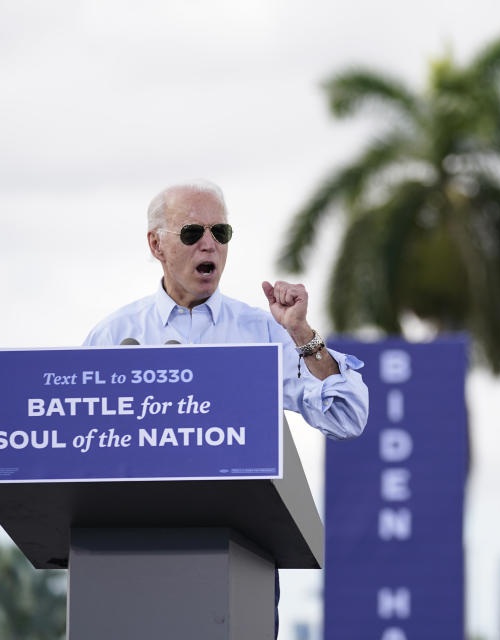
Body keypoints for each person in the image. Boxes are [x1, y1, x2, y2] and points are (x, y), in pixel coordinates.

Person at [83, 179, 369, 637]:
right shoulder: (114, 336)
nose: (210, 245)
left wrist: (301, 334)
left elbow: (347, 417)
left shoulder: (262, 331)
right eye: (193, 233)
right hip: (134, 557)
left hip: (242, 555)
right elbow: (84, 453)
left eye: (221, 232)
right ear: (157, 244)